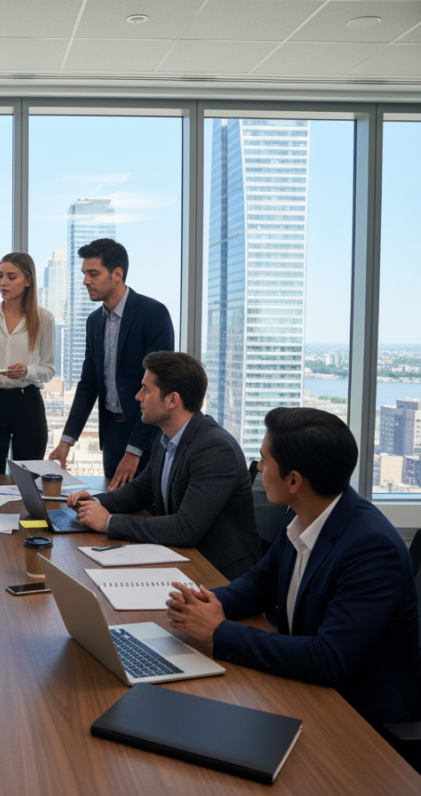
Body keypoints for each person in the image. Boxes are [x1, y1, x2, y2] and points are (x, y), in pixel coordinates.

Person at [165, 407, 421, 729]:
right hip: (305, 690)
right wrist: (203, 603)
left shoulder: (371, 549)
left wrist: (219, 631)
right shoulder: (301, 513)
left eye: (264, 459)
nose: (258, 468)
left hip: (361, 720)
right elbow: (263, 581)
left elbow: (327, 658)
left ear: (294, 480)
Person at [67, 352, 260, 581]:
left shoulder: (215, 449)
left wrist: (108, 522)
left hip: (218, 575)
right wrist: (94, 502)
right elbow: (141, 490)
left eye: (146, 390)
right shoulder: (165, 435)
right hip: (182, 559)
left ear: (172, 400)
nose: (138, 397)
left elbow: (184, 528)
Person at [48, 238, 174, 489]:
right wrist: (66, 441)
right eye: (84, 273)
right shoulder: (94, 321)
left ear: (118, 274)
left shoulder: (153, 314)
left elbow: (161, 385)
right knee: (112, 509)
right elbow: (88, 385)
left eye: (93, 273)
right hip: (111, 438)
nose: (86, 281)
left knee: (145, 515)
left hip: (146, 435)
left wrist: (134, 450)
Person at [0, 253, 56, 474]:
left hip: (27, 404)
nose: (3, 282)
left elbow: (49, 370)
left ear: (28, 280)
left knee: (28, 479)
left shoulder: (44, 319)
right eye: (0, 276)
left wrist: (27, 370)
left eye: (11, 277)